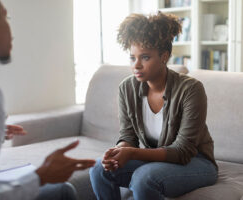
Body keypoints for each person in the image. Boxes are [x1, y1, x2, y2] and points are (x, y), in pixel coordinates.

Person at [0, 0, 95, 200]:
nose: (11, 31)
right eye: (6, 17)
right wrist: (41, 176)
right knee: (63, 191)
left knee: (62, 191)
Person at [89, 12, 218, 200]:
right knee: (99, 169)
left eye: (145, 57)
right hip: (158, 160)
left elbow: (183, 151)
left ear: (164, 56)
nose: (136, 65)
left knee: (144, 178)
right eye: (132, 57)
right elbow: (128, 137)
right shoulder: (127, 88)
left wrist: (132, 152)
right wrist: (119, 151)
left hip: (196, 162)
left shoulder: (191, 89)